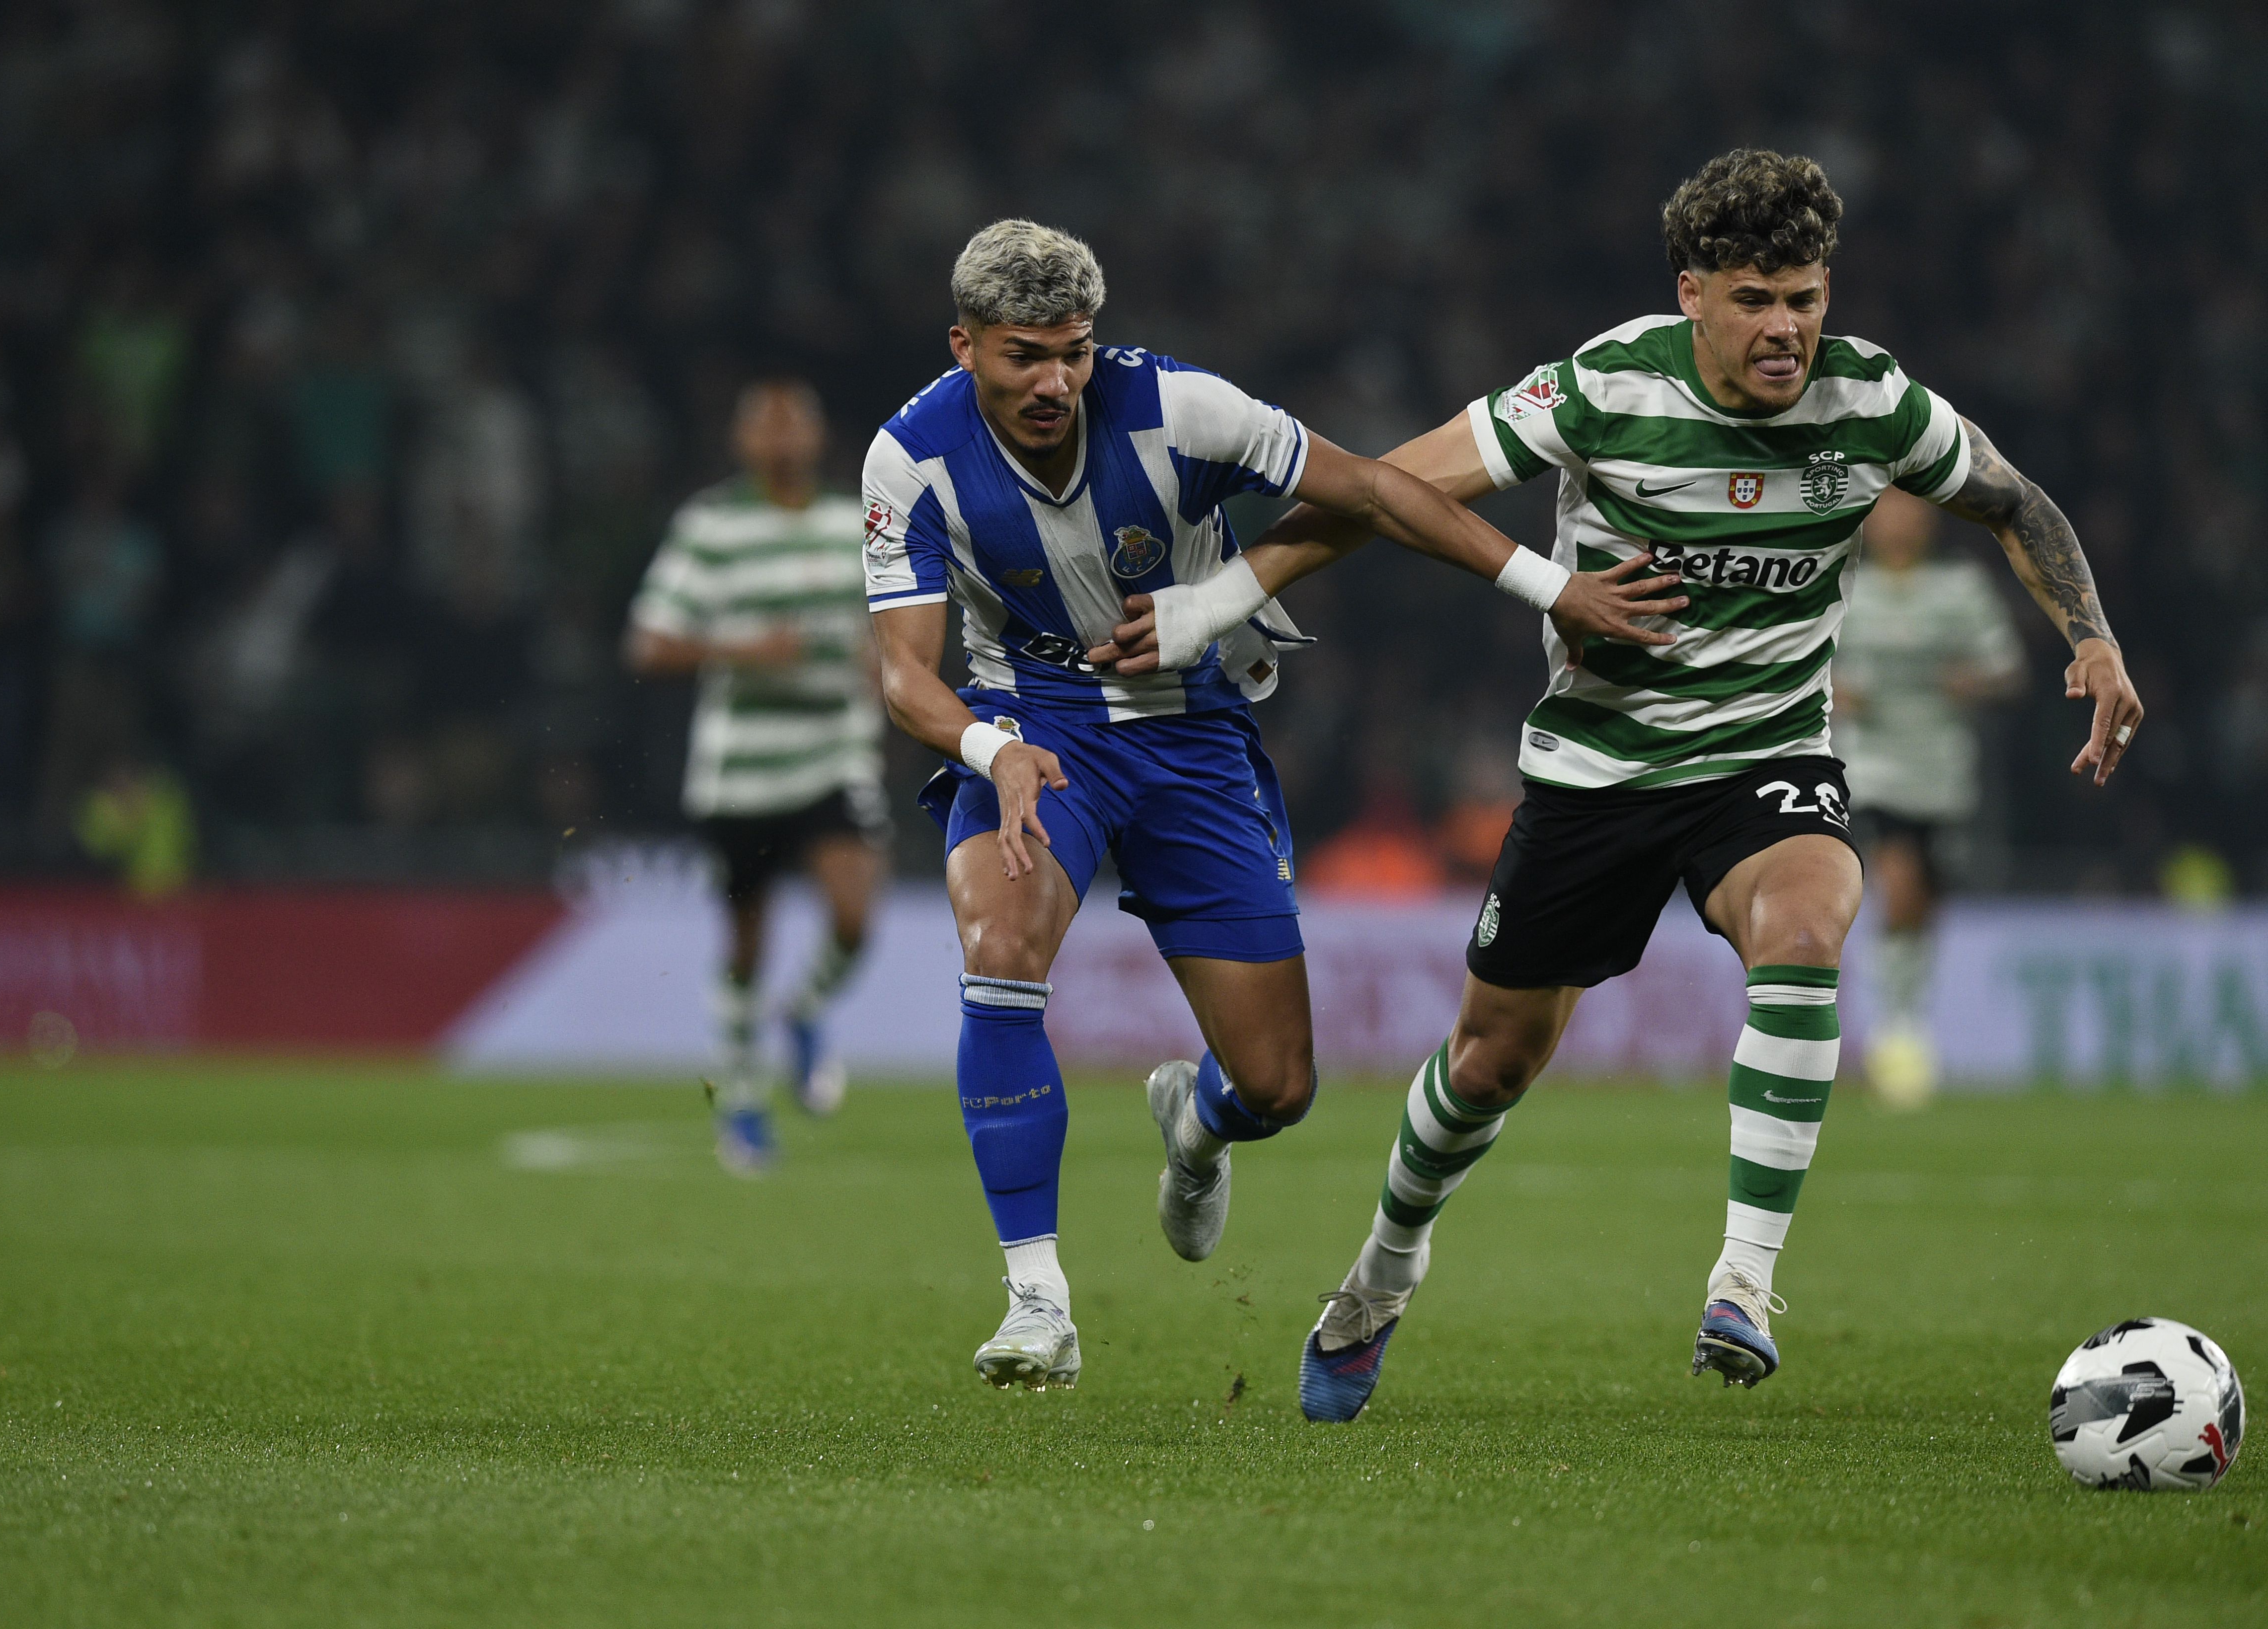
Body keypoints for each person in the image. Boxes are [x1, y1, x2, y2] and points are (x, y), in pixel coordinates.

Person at [1099, 149, 2141, 1418]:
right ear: (1693, 292)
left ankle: (1743, 1282)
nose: (1787, 327)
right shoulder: (1603, 385)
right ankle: (1381, 1271)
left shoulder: (1873, 403)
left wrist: (2091, 635)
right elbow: (1390, 489)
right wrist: (1216, 601)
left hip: (1766, 755)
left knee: (1810, 924)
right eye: (1756, 297)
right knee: (1488, 1064)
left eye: (1807, 296)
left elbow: (2013, 500)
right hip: (1598, 770)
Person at [863, 220, 1671, 1391]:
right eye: (1023, 356)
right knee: (999, 945)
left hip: (1193, 735)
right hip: (1034, 725)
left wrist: (1554, 588)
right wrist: (995, 750)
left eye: (1074, 353)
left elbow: (1382, 492)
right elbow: (901, 671)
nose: (1054, 382)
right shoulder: (912, 456)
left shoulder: (1181, 408)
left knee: (1280, 1086)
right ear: (965, 343)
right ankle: (1037, 1297)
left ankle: (1198, 1121)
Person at [629, 381, 889, 1174]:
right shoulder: (711, 526)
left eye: (794, 426)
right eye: (765, 428)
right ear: (743, 442)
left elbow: (894, 620)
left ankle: (805, 1011)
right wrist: (744, 650)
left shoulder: (856, 521)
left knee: (854, 915)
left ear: (817, 438)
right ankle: (740, 1101)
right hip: (740, 769)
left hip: (834, 755)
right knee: (745, 945)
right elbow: (649, 644)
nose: (781, 441)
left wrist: (888, 661)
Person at [1837, 486, 2026, 1106]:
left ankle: (1909, 1020)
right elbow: (1805, 665)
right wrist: (1835, 692)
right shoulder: (1845, 589)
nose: (1898, 520)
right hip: (1872, 766)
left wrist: (1972, 681)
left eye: (1909, 509)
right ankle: (1892, 1032)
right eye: (1887, 508)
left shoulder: (1960, 591)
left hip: (1942, 768)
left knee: (1925, 905)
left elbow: (2008, 669)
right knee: (1898, 882)